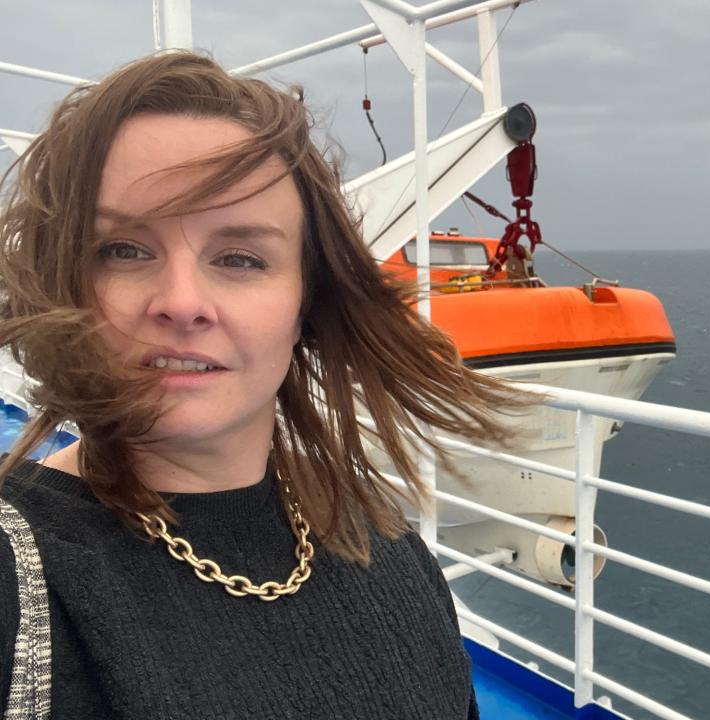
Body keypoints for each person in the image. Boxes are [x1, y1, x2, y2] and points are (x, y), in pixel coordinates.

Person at [0, 51, 523, 718]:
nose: (182, 302)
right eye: (124, 250)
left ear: (306, 302)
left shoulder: (385, 542)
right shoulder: (20, 572)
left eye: (240, 258)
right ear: (63, 280)